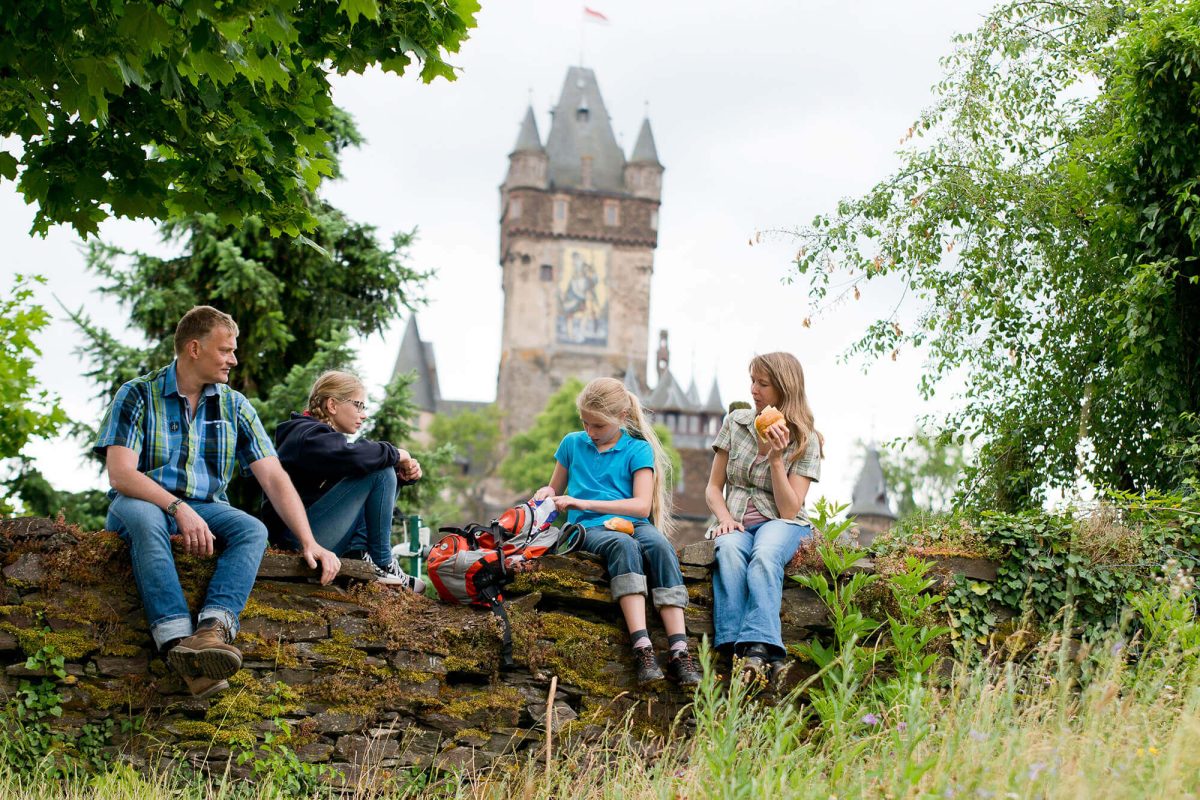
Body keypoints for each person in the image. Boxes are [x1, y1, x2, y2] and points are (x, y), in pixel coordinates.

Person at [94, 306, 341, 699]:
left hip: (206, 506)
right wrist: (178, 508)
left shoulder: (235, 405)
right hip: (140, 501)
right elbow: (122, 475)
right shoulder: (137, 394)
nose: (233, 359)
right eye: (225, 350)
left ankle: (212, 631)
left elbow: (274, 477)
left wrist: (309, 541)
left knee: (251, 529)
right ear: (194, 348)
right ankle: (177, 642)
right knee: (146, 519)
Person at [533, 377, 702, 686]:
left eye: (598, 426)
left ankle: (680, 650)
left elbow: (641, 507)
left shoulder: (638, 450)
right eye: (585, 423)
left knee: (661, 547)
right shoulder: (571, 443)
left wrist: (581, 500)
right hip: (585, 528)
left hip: (633, 523)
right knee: (624, 547)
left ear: (622, 417)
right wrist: (547, 491)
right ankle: (642, 647)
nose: (590, 432)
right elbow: (555, 489)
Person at [706, 352, 823, 682]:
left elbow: (790, 509)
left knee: (765, 555)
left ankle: (759, 647)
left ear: (784, 389)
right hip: (739, 521)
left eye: (763, 384)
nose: (754, 390)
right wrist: (725, 517)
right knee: (727, 551)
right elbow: (714, 488)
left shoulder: (805, 440)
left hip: (782, 524)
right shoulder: (736, 422)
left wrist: (775, 460)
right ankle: (733, 649)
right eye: (752, 381)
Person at [262, 370, 425, 593]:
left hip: (316, 532)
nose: (364, 414)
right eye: (358, 405)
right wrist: (399, 454)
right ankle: (383, 561)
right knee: (381, 468)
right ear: (332, 405)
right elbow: (355, 457)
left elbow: (352, 480)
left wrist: (399, 477)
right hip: (299, 541)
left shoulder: (322, 439)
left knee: (383, 470)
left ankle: (360, 556)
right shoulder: (306, 436)